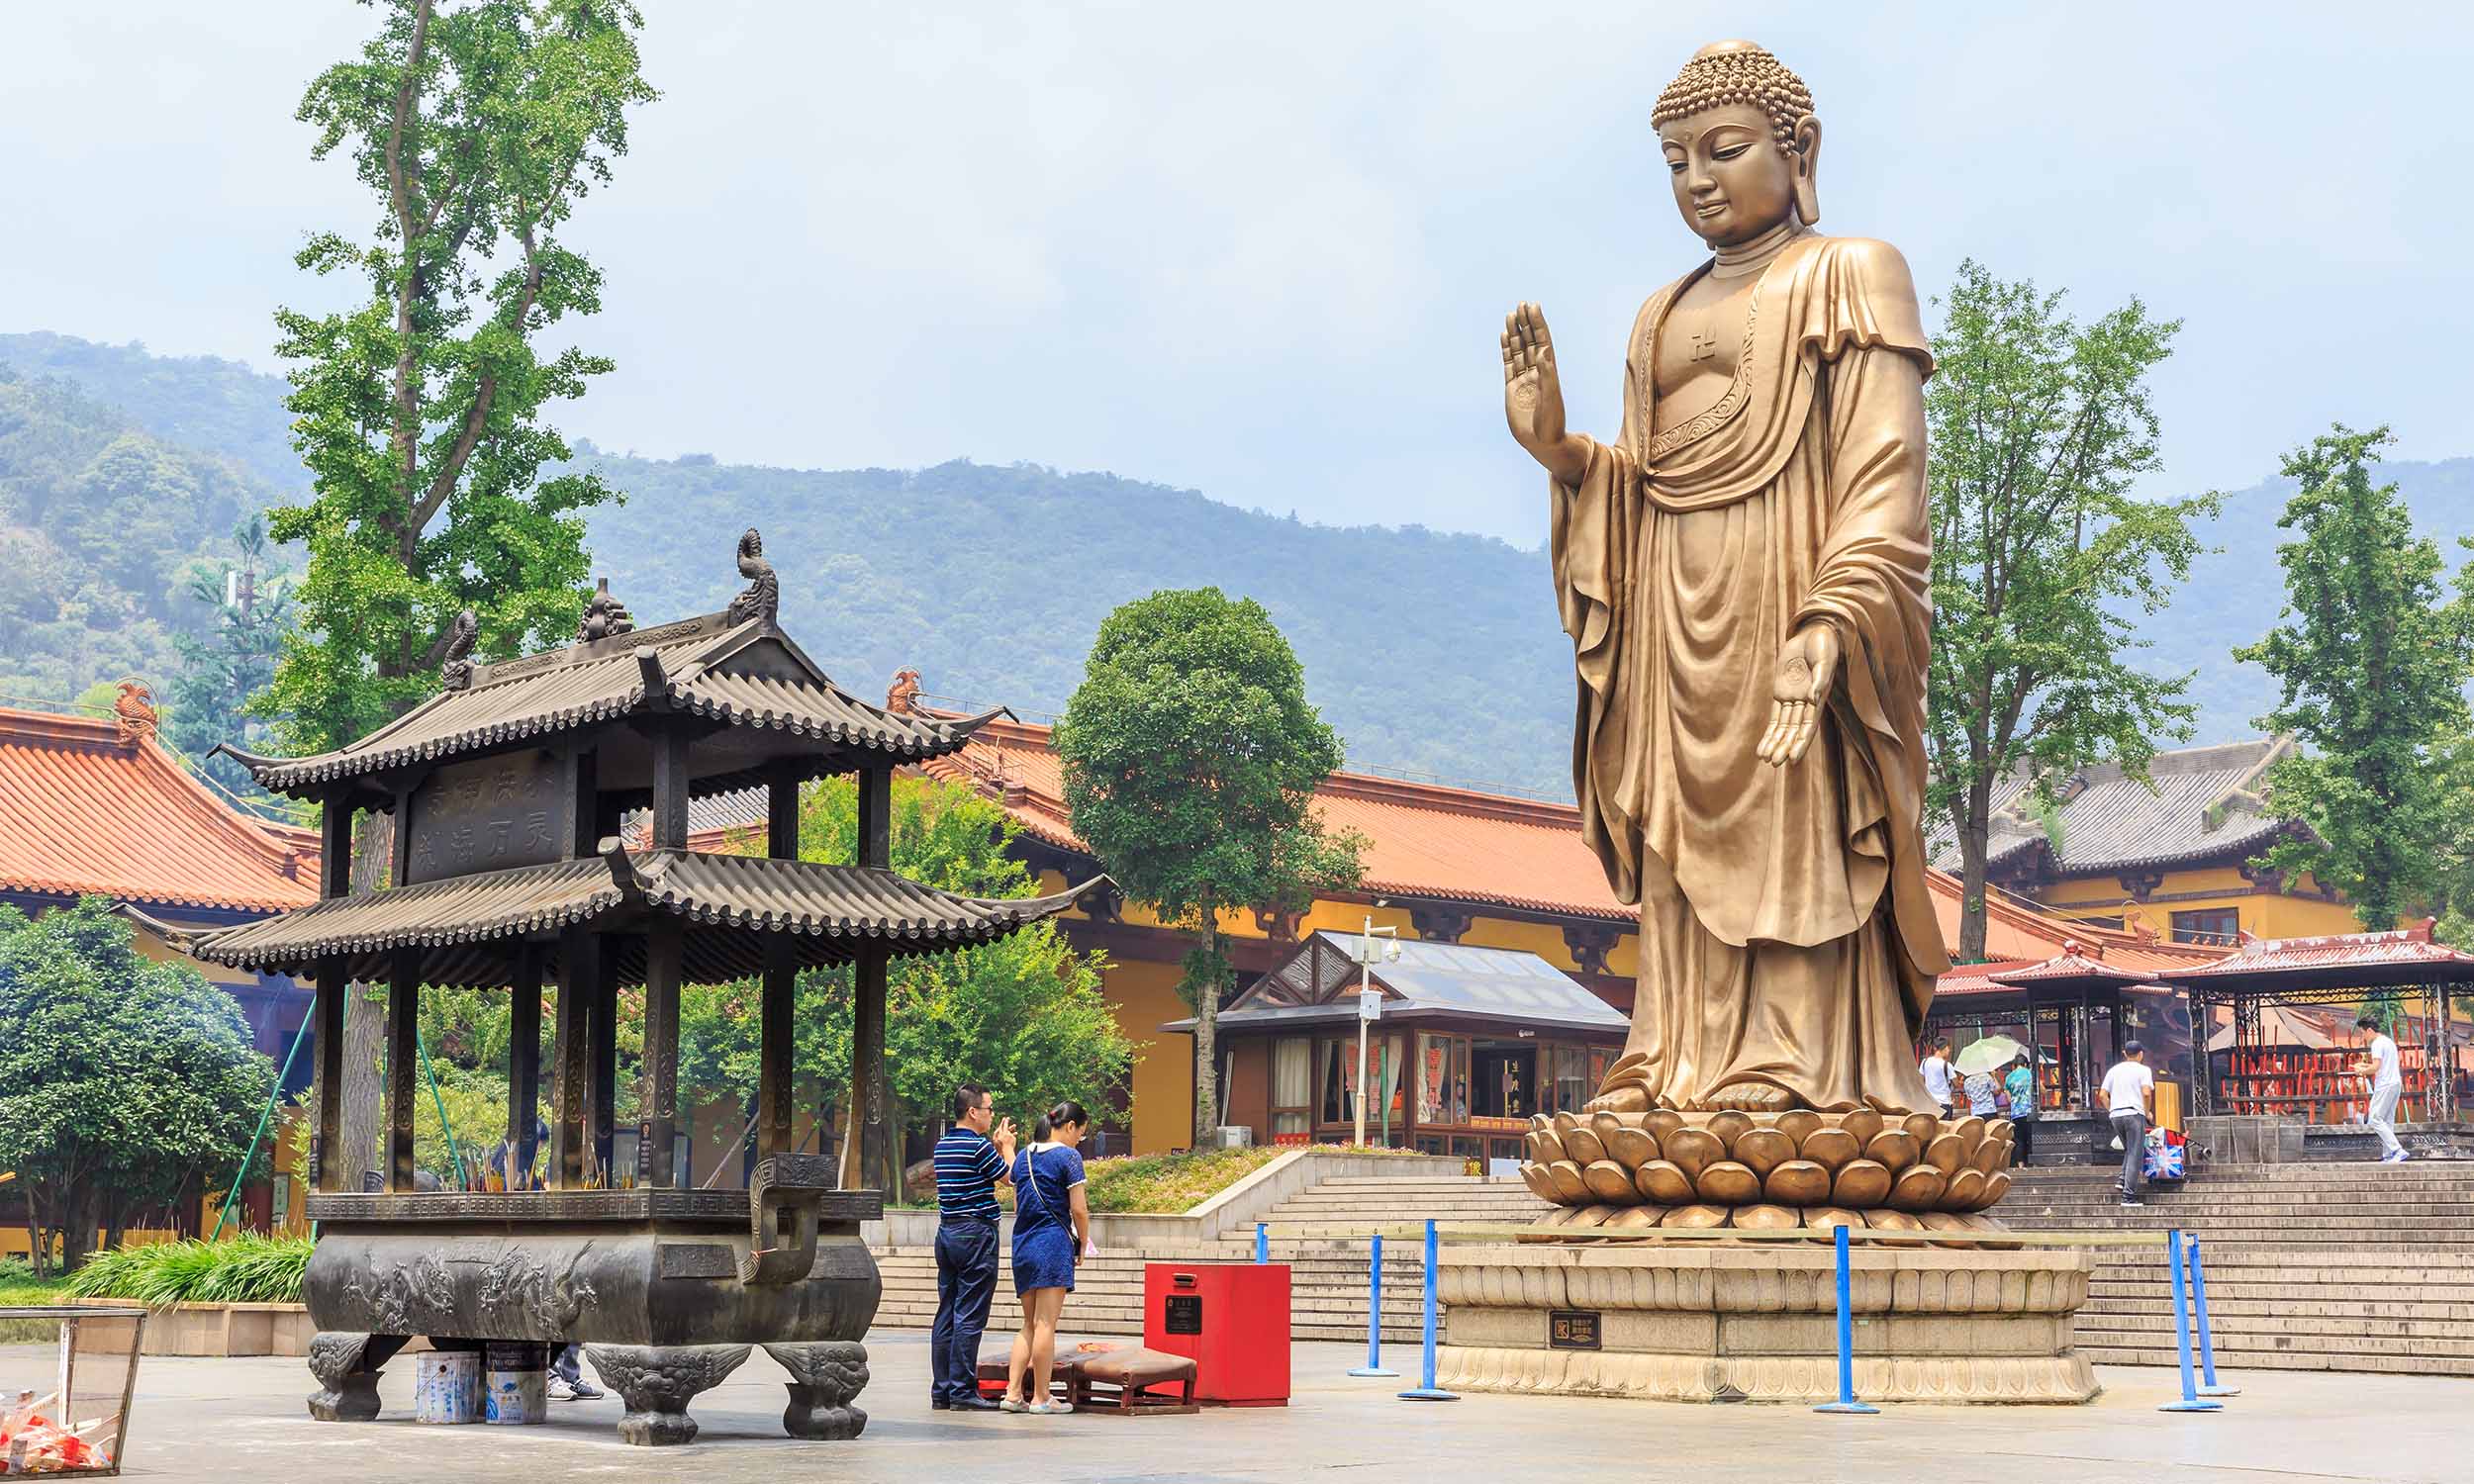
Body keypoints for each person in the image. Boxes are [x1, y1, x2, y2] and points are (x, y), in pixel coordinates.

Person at [1001, 1100, 1093, 1416]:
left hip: (1023, 1245)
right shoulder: (1069, 1157)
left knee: (1028, 1323)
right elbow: (1078, 1209)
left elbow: (1015, 1187)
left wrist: (1007, 1147)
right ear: (1069, 1127)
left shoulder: (1025, 1155)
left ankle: (1013, 1394)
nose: (1079, 1139)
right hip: (1052, 1244)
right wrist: (1083, 1241)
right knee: (1045, 1325)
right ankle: (1041, 1397)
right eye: (1080, 1133)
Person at [929, 1082, 1016, 1410]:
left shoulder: (943, 1145)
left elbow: (978, 1171)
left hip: (948, 1231)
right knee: (969, 1314)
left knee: (947, 1312)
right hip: (976, 1232)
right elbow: (1011, 1177)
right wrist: (1006, 1146)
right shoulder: (978, 1147)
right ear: (973, 1111)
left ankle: (942, 1390)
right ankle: (963, 1391)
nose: (991, 1115)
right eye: (989, 1109)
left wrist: (991, 1147)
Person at [2100, 1041, 2155, 1207]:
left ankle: (2122, 1179)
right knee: (2135, 1154)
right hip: (2133, 1113)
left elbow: (2102, 1095)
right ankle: (2128, 1197)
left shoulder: (2113, 1071)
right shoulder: (2144, 1070)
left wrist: (2112, 1111)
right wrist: (2147, 1112)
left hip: (2116, 1115)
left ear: (2124, 1053)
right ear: (2141, 1054)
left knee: (2130, 1149)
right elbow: (2146, 1093)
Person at [2355, 1013, 2410, 1163]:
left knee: (2374, 1119)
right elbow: (2380, 1065)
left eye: (2362, 1033)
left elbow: (2376, 1067)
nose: (2363, 1037)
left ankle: (2397, 1150)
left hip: (2385, 1084)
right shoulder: (2388, 1042)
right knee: (2387, 1120)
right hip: (2395, 1083)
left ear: (2369, 1031)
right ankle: (2388, 1155)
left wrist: (2361, 1071)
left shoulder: (2377, 1044)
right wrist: (2366, 1066)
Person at [2004, 1055, 2037, 1166]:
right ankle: (2032, 1163)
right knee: (2032, 1137)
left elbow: (2008, 1099)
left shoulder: (2008, 1077)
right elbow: (2041, 1089)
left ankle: (2020, 1165)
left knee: (2019, 1140)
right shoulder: (2031, 1074)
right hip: (2030, 1111)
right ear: (2026, 1064)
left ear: (2014, 1065)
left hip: (2016, 1113)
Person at [1919, 1037, 1955, 1119]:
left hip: (1929, 1102)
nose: (1949, 1051)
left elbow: (1920, 1079)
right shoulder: (1947, 1065)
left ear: (1934, 1048)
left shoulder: (1925, 1062)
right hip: (1944, 1103)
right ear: (1946, 1048)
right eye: (1948, 1048)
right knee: (1945, 1128)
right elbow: (1955, 1083)